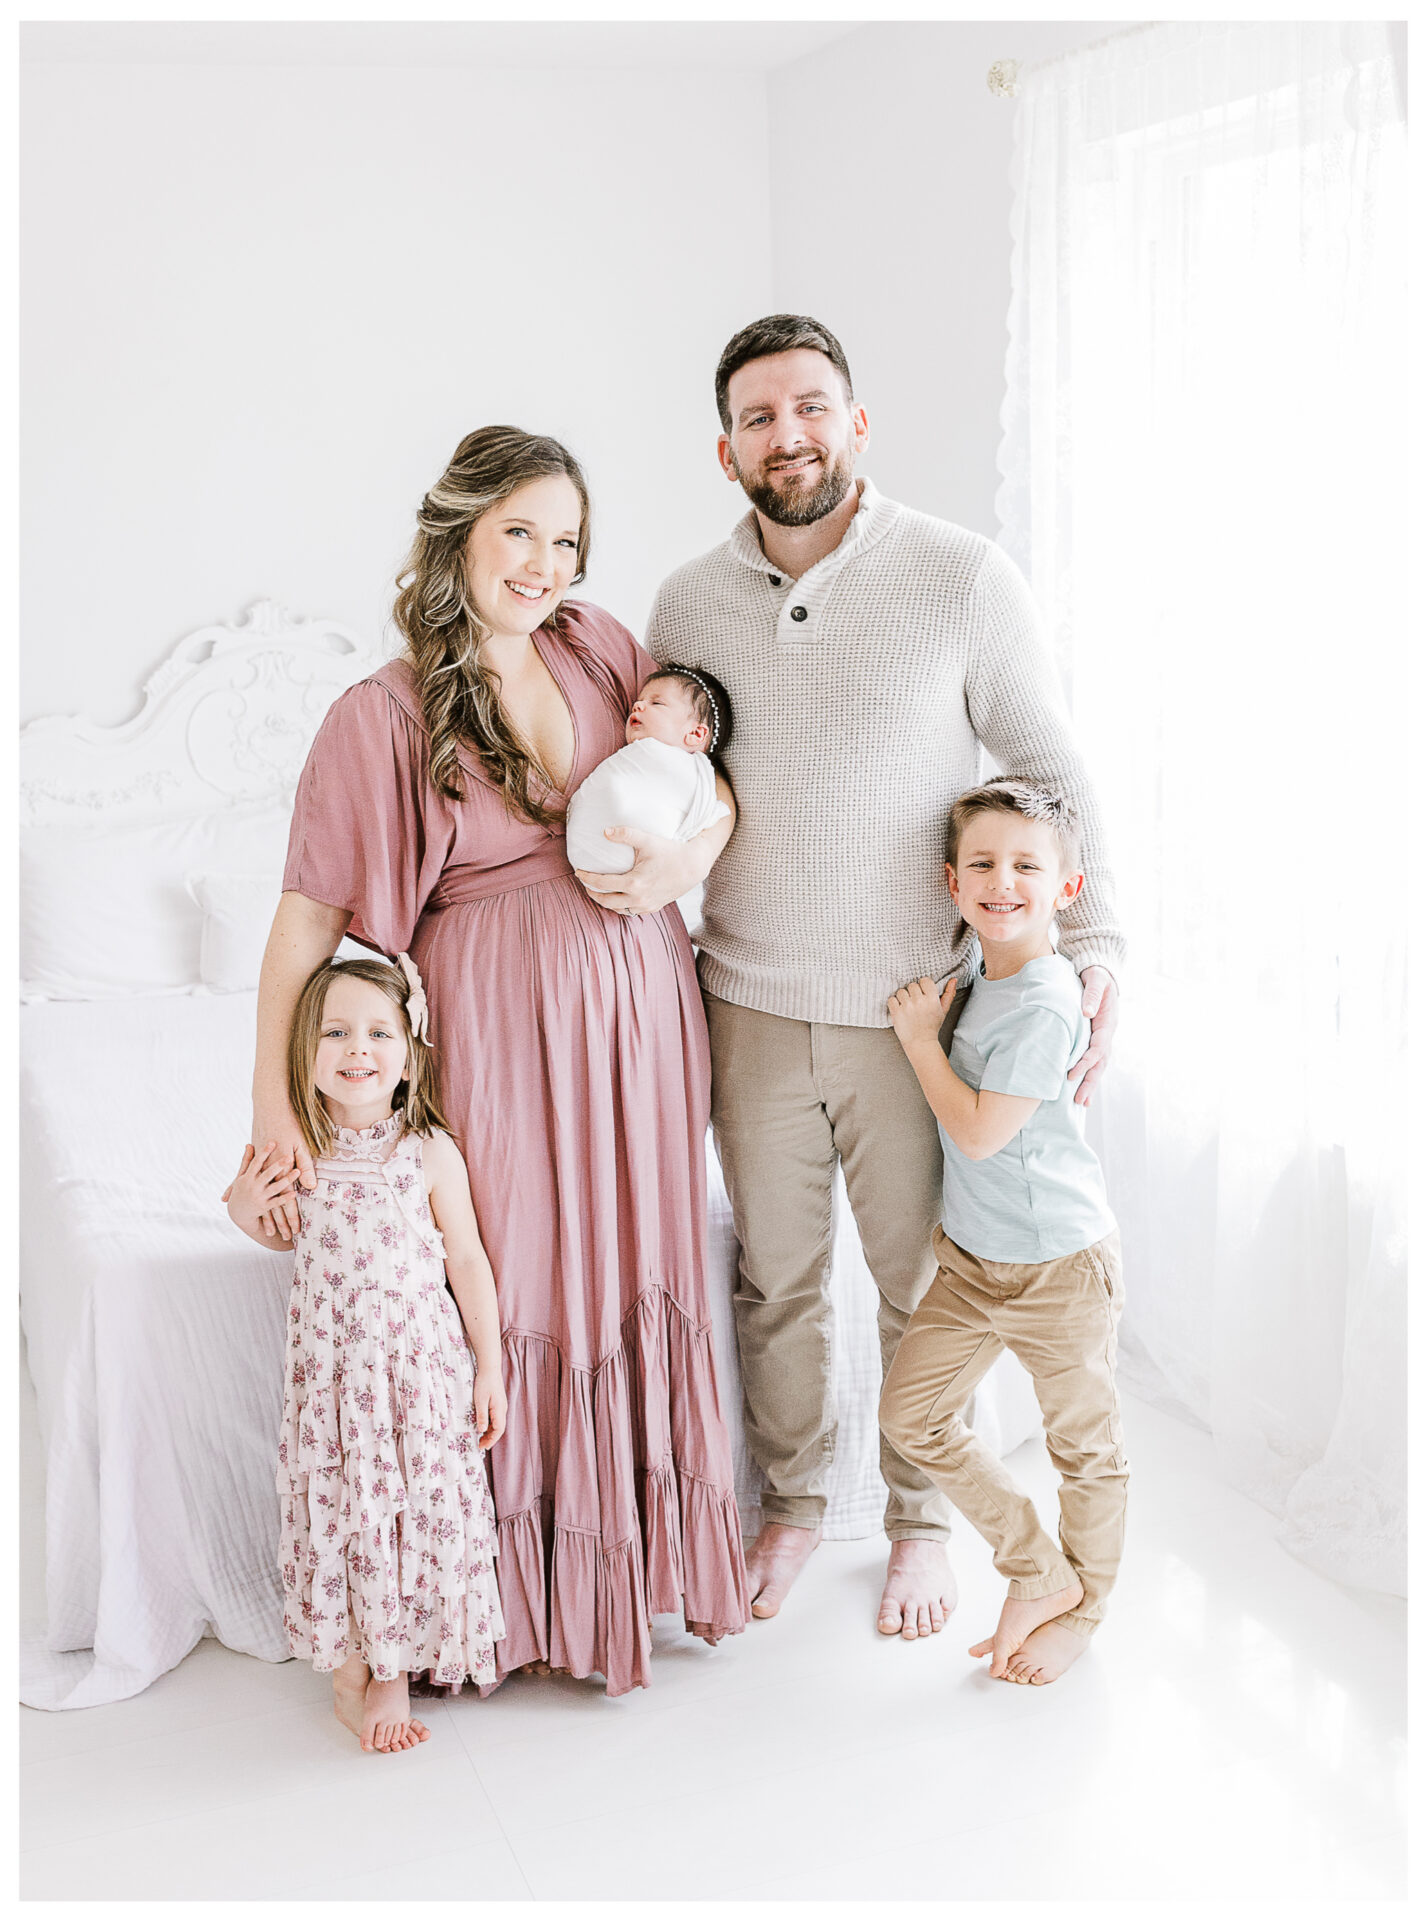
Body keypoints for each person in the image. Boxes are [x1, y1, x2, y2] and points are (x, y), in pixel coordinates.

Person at [610, 313, 1124, 1640]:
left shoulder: (958, 574)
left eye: (813, 405)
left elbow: (1050, 767)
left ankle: (913, 1521)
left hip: (918, 1015)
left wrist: (1094, 942)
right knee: (774, 1283)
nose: (791, 434)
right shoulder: (682, 602)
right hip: (746, 1000)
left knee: (918, 1286)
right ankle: (789, 1505)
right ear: (725, 449)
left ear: (856, 421)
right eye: (762, 417)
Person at [238, 426, 750, 1696]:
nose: (543, 562)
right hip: (498, 1016)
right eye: (518, 530)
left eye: (565, 538)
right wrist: (273, 1112)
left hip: (643, 1011)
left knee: (642, 1259)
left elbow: (709, 792)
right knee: (519, 1273)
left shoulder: (602, 647)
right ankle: (512, 1607)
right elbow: (306, 922)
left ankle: (645, 1577)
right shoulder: (382, 715)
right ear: (458, 532)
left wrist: (689, 862)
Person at [226, 955, 506, 1751]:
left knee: (409, 1515)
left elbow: (467, 1260)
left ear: (411, 1054)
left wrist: (489, 1363)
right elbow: (268, 1230)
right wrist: (246, 1208)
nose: (358, 1048)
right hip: (336, 1386)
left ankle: (392, 1671)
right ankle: (352, 1664)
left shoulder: (427, 1152)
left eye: (380, 1032)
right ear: (303, 1055)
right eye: (336, 1032)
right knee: (349, 1516)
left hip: (418, 1377)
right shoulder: (298, 1153)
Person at [880, 780, 1125, 1686]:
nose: (1002, 880)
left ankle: (1080, 1611)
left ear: (1067, 889)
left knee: (1085, 1454)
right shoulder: (986, 969)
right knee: (910, 1415)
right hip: (975, 1262)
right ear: (951, 882)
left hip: (1059, 1267)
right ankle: (1039, 1570)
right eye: (982, 863)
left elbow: (981, 1132)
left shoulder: (1043, 1001)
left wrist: (917, 1043)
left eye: (1026, 865)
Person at [564, 664, 733, 876]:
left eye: (657, 702)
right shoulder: (634, 757)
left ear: (696, 734)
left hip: (639, 864)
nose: (637, 706)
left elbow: (707, 814)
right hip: (585, 861)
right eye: (639, 701)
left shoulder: (692, 774)